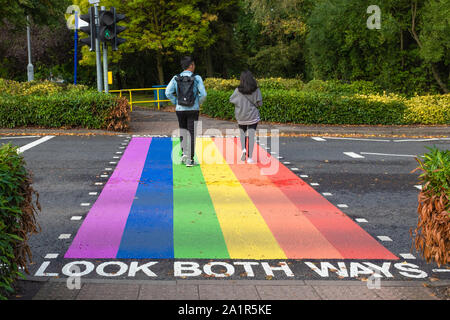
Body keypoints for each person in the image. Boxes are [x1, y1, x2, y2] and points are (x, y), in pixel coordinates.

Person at [166, 56, 207, 167]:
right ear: (191, 65)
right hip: (193, 109)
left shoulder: (176, 77)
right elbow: (203, 94)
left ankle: (184, 153)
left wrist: (176, 102)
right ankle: (190, 159)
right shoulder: (197, 78)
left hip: (180, 109)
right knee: (192, 133)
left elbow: (167, 92)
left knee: (183, 130)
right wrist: (198, 102)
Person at [229, 70, 262, 164]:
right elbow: (260, 103)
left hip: (241, 116)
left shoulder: (237, 90)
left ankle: (243, 149)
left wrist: (240, 102)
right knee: (251, 135)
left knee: (242, 133)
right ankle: (250, 157)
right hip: (252, 116)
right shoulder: (256, 89)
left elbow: (231, 99)